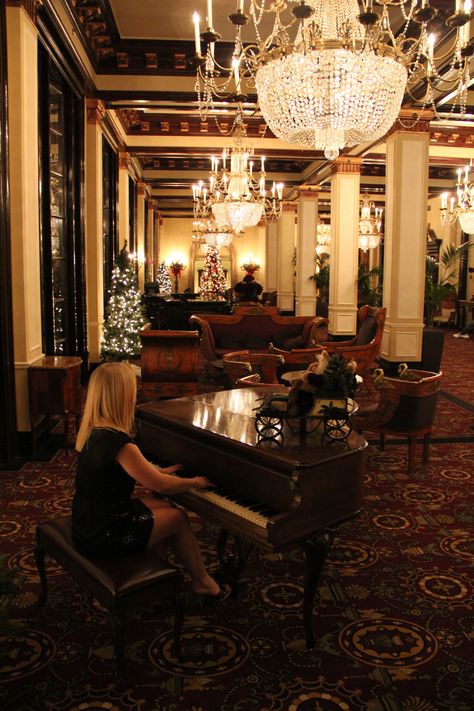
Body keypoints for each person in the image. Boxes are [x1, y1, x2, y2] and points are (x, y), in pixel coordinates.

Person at [72, 361, 225, 599]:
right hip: (103, 534)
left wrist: (159, 471)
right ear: (122, 395)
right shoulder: (119, 443)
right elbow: (159, 485)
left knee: (164, 506)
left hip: (88, 521)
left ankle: (154, 572)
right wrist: (194, 482)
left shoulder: (94, 431)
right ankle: (203, 582)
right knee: (178, 518)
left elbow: (134, 473)